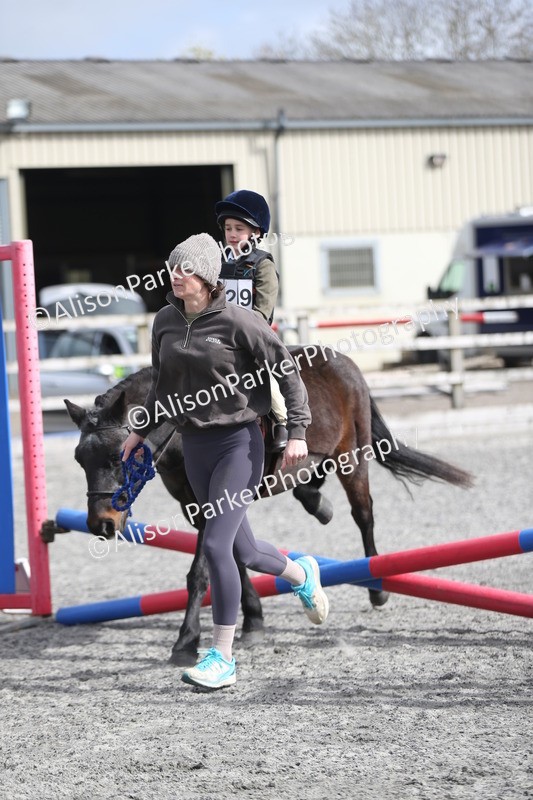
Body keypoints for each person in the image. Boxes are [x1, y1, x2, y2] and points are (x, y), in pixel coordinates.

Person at [122, 233, 329, 691]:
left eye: (185, 268)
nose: (175, 275)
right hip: (195, 446)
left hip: (238, 444)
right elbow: (162, 383)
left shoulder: (239, 321)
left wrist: (297, 430)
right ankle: (301, 572)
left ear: (207, 276)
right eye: (172, 266)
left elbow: (286, 368)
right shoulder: (164, 321)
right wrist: (140, 429)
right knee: (244, 551)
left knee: (215, 548)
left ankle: (222, 657)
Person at [215, 189, 288, 451]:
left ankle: (281, 419)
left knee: (266, 371)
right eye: (228, 228)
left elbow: (263, 310)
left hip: (253, 334)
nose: (232, 234)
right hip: (218, 334)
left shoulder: (263, 265)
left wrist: (238, 334)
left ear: (255, 233)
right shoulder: (217, 263)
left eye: (239, 229)